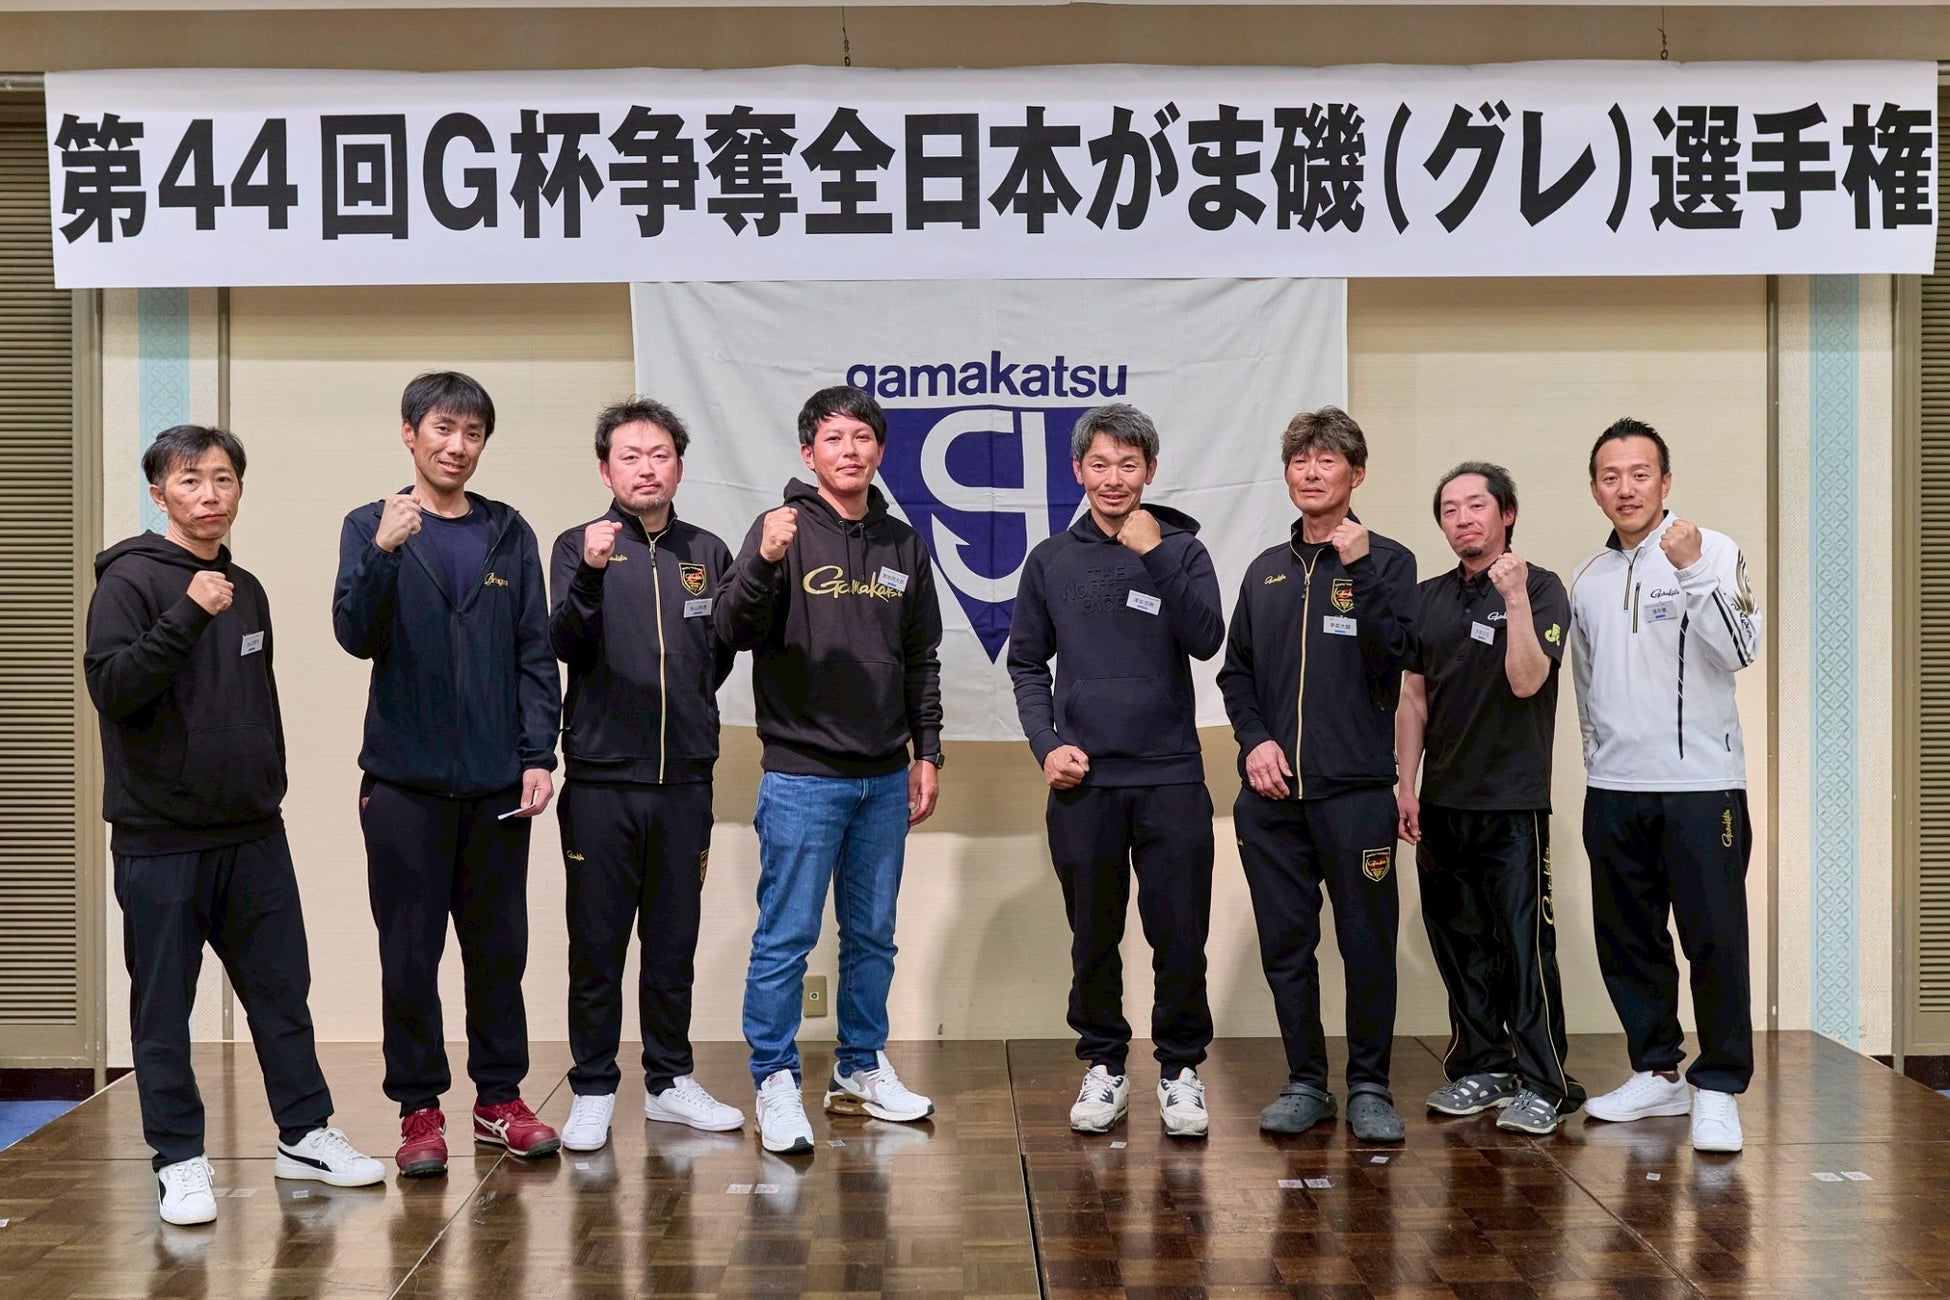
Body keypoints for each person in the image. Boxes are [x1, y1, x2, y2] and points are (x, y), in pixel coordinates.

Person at [85, 424, 384, 1225]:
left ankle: (305, 1135)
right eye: (190, 481)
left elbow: (256, 702)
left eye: (222, 479)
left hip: (252, 831)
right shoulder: (128, 582)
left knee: (283, 995)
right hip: (160, 840)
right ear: (160, 495)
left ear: (240, 489)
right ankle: (179, 1159)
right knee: (163, 1012)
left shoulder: (244, 586)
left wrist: (269, 784)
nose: (209, 495)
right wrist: (186, 612)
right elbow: (114, 690)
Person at [332, 371, 562, 1175]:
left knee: (499, 953)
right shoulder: (371, 524)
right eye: (442, 428)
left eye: (472, 433)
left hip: (497, 785)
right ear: (410, 433)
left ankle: (500, 1099)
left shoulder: (508, 531)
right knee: (409, 955)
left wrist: (538, 754)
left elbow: (535, 652)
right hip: (403, 786)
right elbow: (354, 634)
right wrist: (383, 551)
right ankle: (419, 1110)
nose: (456, 446)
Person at [715, 385, 944, 1155]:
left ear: (880, 450)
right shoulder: (779, 529)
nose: (850, 451)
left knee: (873, 936)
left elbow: (920, 658)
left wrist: (927, 751)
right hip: (802, 775)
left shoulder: (903, 543)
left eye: (863, 437)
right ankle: (775, 1079)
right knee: (786, 937)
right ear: (808, 451)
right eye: (835, 438)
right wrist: (764, 560)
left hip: (883, 776)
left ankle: (859, 1067)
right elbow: (730, 630)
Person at [1006, 403, 1222, 1139]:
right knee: (1092, 937)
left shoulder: (1182, 549)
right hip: (1084, 782)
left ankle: (1180, 1071)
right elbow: (1026, 664)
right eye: (1099, 464)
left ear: (1150, 470)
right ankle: (1104, 1065)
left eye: (1129, 464)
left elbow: (1207, 638)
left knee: (1179, 934)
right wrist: (1046, 744)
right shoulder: (1050, 560)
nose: (1113, 478)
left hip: (1171, 778)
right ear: (1078, 471)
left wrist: (1154, 552)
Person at [1218, 406, 1417, 1143]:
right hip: (1272, 800)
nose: (1311, 471)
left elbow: (1396, 656)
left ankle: (1369, 1085)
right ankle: (1306, 1080)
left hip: (1356, 795)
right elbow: (1236, 674)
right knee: (1286, 948)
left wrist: (1358, 570)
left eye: (1327, 460)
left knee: (1366, 945)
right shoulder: (1266, 570)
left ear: (1355, 474)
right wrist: (1253, 742)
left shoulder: (1388, 562)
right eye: (1300, 460)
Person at [549, 397, 742, 1152]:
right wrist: (592, 573)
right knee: (597, 946)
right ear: (607, 470)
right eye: (630, 457)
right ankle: (594, 1087)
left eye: (659, 455)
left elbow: (714, 657)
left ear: (679, 466)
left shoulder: (708, 551)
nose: (646, 468)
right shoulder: (578, 545)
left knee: (672, 943)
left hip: (686, 779)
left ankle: (669, 1082)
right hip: (602, 781)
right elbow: (565, 641)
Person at [1570, 417, 1761, 1154]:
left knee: (1714, 939)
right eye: (1611, 476)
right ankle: (1657, 1072)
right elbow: (1586, 687)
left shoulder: (1712, 550)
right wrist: (1598, 764)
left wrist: (1693, 571)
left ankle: (1718, 1087)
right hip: (1615, 789)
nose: (1626, 488)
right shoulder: (1589, 578)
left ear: (1666, 481)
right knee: (1629, 940)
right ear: (1596, 489)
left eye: (1640, 473)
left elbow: (1742, 648)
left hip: (1702, 788)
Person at [1396, 462, 1586, 1136]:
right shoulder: (1426, 598)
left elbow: (1529, 680)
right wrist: (1407, 784)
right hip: (1443, 803)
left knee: (1524, 947)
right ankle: (1483, 1066)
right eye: (1450, 509)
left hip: (1512, 803)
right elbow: (1413, 695)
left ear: (1506, 513)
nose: (1463, 519)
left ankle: (1544, 1082)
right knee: (1460, 944)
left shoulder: (1542, 587)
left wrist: (1514, 601)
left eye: (1476, 505)